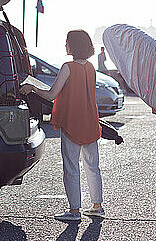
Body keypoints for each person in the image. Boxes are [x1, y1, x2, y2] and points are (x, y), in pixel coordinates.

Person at [20, 30, 104, 222]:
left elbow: (51, 94)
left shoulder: (68, 67)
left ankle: (74, 211)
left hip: (72, 122)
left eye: (67, 42)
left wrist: (31, 88)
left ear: (73, 45)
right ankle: (97, 205)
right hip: (91, 121)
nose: (65, 45)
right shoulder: (91, 67)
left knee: (71, 167)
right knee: (93, 166)